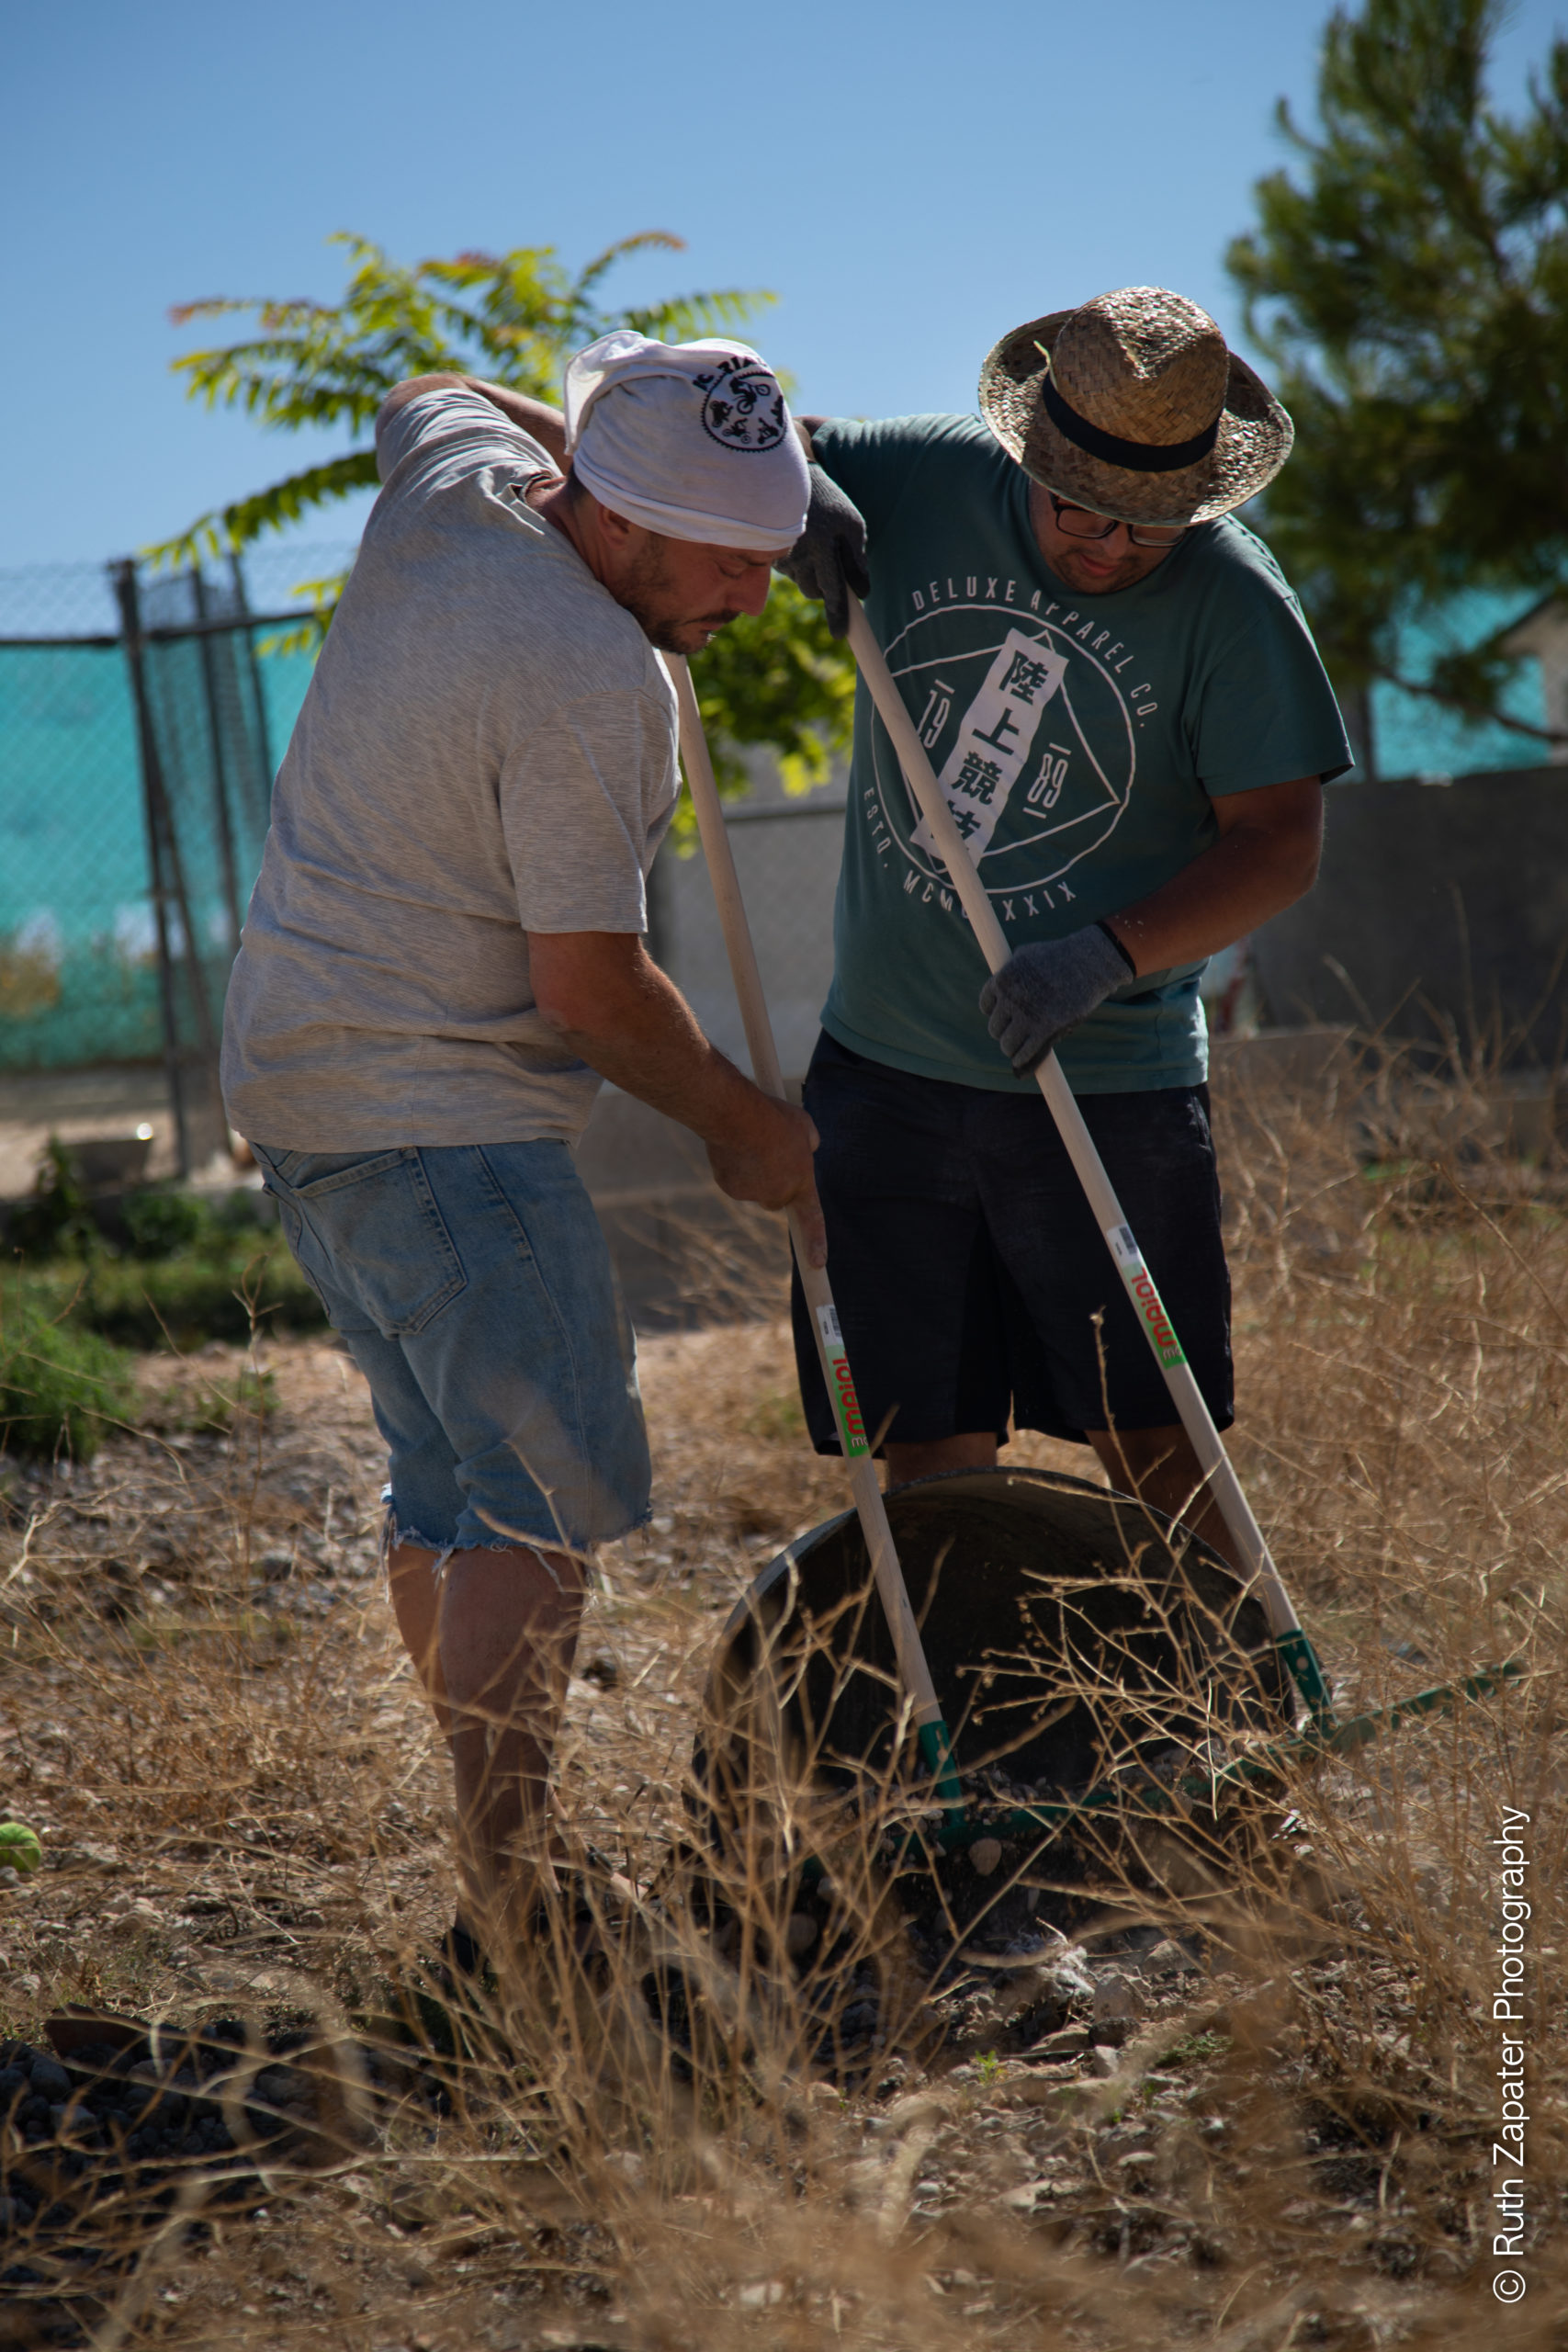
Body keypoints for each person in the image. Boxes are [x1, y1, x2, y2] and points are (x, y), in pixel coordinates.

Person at [221, 331, 823, 1969]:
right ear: (616, 517)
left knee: (450, 1486)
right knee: (536, 1508)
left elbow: (421, 390)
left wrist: (633, 436)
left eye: (774, 554)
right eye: (731, 560)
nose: (757, 600)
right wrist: (748, 1132)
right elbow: (592, 994)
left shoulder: (462, 488)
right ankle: (512, 1907)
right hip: (450, 1119)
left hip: (304, 1093)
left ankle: (500, 1861)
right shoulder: (587, 674)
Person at [780, 286, 1350, 1566]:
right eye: (1079, 509)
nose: (1107, 547)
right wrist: (789, 480)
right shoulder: (919, 481)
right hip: (883, 1072)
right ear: (1028, 454)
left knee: (1153, 1430)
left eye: (1148, 527)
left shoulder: (1233, 607)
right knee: (920, 1442)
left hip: (1105, 1086)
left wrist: (1109, 955)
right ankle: (972, 1725)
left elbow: (1279, 844)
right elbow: (736, 427)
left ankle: (1219, 1706)